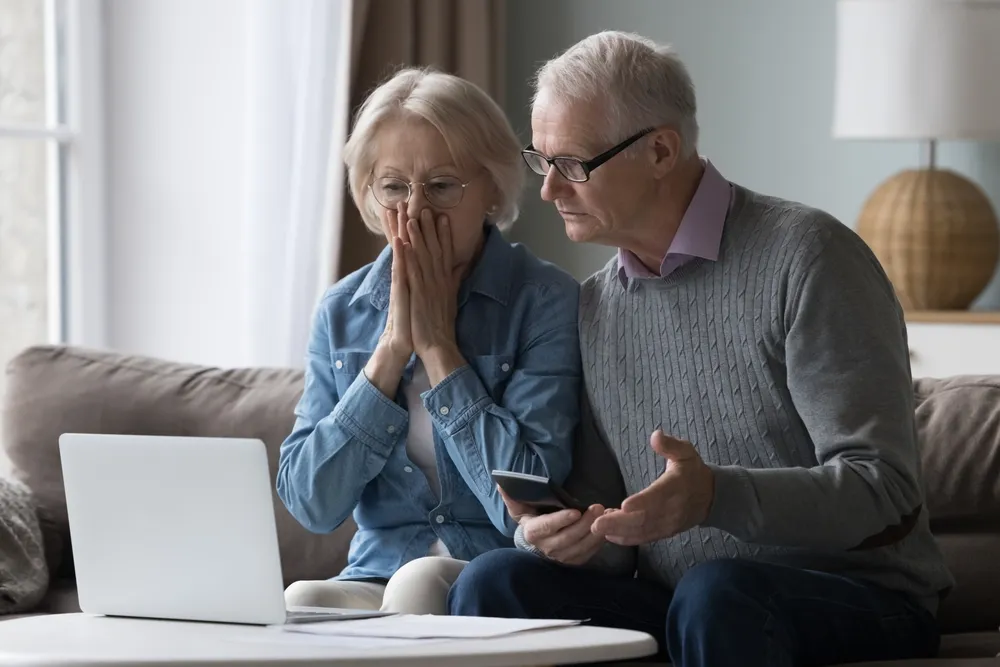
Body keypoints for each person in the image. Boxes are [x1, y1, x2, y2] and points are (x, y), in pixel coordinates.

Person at [448, 31, 954, 666]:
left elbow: (883, 489)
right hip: (687, 601)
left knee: (718, 593)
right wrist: (567, 533)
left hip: (858, 594)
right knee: (493, 581)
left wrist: (717, 495)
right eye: (540, 161)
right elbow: (618, 536)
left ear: (661, 150)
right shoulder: (597, 306)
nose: (549, 190)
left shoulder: (809, 258)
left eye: (572, 164)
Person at [276, 67, 581, 616]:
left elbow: (525, 502)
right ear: (370, 194)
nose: (414, 211)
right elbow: (311, 503)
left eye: (441, 186)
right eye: (394, 187)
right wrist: (391, 350)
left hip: (490, 568)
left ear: (490, 187)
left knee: (415, 587)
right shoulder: (342, 312)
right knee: (302, 600)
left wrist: (441, 351)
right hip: (378, 567)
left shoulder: (546, 302)